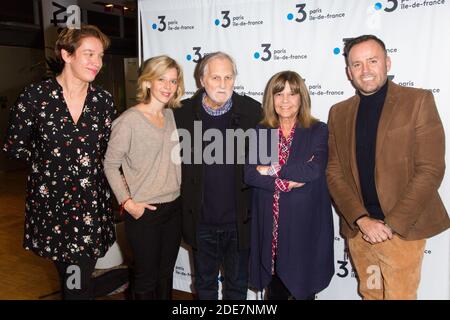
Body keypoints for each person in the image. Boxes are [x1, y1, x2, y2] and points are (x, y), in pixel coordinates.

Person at [326, 34, 450, 300]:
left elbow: (430, 169)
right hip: (361, 234)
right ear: (348, 72)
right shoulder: (339, 112)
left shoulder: (417, 101)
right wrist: (361, 220)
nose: (365, 70)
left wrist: (391, 226)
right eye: (357, 64)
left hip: (401, 233)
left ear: (388, 62)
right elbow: (334, 172)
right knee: (371, 293)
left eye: (372, 60)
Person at [2, 25, 116, 300]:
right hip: (51, 208)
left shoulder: (103, 101)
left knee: (76, 283)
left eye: (100, 56)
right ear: (66, 54)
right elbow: (14, 147)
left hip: (90, 207)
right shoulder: (35, 98)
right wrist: (51, 162)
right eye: (89, 54)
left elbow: (112, 152)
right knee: (72, 281)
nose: (97, 63)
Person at [174, 52, 261, 300]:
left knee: (237, 287)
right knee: (205, 287)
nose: (223, 84)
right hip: (201, 222)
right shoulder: (182, 113)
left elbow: (271, 157)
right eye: (215, 77)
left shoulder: (253, 111)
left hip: (239, 223)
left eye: (228, 77)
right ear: (202, 80)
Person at [244, 71, 334, 300]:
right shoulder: (262, 131)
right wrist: (288, 181)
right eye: (279, 93)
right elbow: (250, 175)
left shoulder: (317, 130)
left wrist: (271, 169)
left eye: (292, 94)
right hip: (270, 228)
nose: (285, 100)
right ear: (270, 98)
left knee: (303, 290)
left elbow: (313, 170)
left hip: (303, 227)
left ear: (302, 98)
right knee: (274, 292)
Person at [103, 55, 184, 300]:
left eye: (173, 81)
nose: (168, 86)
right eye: (162, 79)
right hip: (144, 211)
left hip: (174, 207)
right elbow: (109, 164)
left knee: (165, 274)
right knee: (146, 278)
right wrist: (127, 203)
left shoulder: (171, 116)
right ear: (148, 82)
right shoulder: (128, 121)